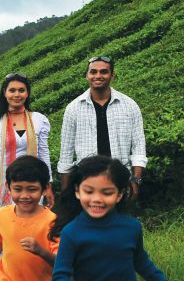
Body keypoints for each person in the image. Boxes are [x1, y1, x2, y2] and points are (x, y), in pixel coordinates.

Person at [0, 73, 54, 268]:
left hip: (31, 184)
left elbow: (44, 155)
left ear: (27, 93)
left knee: (26, 226)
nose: (16, 94)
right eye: (12, 90)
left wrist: (49, 185)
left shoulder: (39, 120)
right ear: (5, 93)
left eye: (21, 90)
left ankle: (21, 269)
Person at [58, 56, 147, 200]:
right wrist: (65, 190)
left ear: (112, 75)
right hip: (87, 180)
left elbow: (138, 146)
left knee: (119, 221)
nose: (98, 76)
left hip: (120, 178)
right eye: (93, 72)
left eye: (103, 72)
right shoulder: (73, 108)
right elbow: (66, 153)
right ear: (87, 75)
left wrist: (136, 180)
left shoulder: (130, 106)